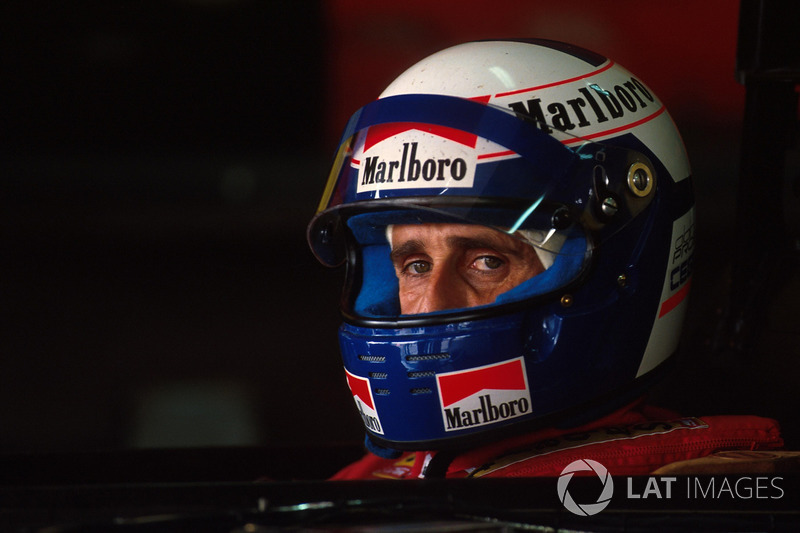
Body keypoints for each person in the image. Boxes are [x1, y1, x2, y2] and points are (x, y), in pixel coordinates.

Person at [306, 39, 783, 479]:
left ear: (616, 270)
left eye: (487, 261)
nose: (430, 306)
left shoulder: (689, 496)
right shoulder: (382, 477)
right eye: (415, 266)